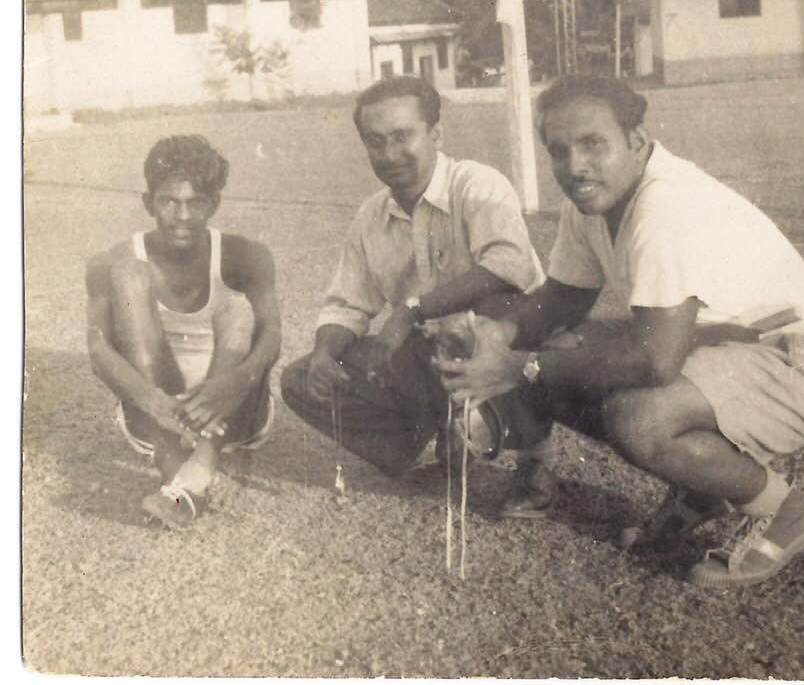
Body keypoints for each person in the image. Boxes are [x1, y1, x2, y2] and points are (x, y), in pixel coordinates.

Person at [435, 75, 804, 587]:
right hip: (724, 348)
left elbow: (656, 361)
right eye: (559, 151)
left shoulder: (665, 204)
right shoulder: (593, 199)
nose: (575, 166)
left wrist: (521, 365)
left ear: (636, 141)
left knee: (638, 417)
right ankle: (700, 487)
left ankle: (782, 510)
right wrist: (496, 334)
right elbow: (563, 299)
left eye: (593, 144)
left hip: (796, 363)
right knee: (552, 343)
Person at [280, 76, 547, 488]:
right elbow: (346, 305)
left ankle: (535, 460)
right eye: (375, 141)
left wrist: (411, 311)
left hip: (509, 349)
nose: (390, 154)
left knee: (487, 317)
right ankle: (434, 438)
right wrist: (323, 353)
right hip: (431, 353)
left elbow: (511, 265)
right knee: (301, 379)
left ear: (435, 133)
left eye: (403, 136)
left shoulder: (476, 184)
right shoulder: (371, 216)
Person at [85, 135, 281, 529]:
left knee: (238, 307)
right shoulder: (109, 259)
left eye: (197, 202)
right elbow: (98, 348)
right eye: (169, 201)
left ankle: (198, 467)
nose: (183, 215)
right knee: (128, 273)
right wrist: (149, 399)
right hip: (152, 410)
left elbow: (272, 333)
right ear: (149, 203)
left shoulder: (246, 254)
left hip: (235, 406)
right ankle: (178, 466)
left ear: (214, 204)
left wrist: (232, 382)